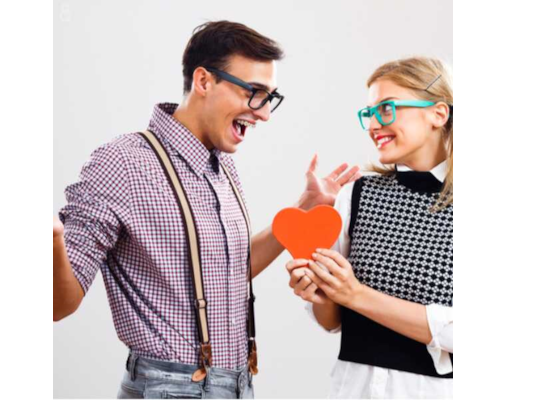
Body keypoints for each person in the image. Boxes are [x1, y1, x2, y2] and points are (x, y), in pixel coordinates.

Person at [53, 20, 361, 399]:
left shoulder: (222, 163)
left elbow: (225, 272)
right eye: (255, 93)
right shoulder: (122, 163)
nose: (264, 114)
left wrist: (303, 209)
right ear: (203, 81)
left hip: (238, 385)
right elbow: (58, 305)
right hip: (168, 388)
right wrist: (55, 237)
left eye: (270, 98)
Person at [286, 57, 454, 399]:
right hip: (354, 388)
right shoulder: (358, 194)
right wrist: (319, 292)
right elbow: (332, 321)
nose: (374, 123)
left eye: (387, 109)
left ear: (438, 113)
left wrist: (356, 295)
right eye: (369, 113)